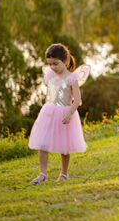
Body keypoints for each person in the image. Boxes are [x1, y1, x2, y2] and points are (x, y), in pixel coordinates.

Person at [28, 43, 90, 185]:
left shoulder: (72, 78)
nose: (53, 67)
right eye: (50, 64)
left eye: (56, 64)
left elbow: (78, 101)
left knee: (64, 146)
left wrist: (69, 113)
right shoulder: (49, 75)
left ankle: (64, 174)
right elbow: (51, 94)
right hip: (48, 112)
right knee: (42, 143)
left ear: (66, 61)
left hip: (64, 114)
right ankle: (43, 174)